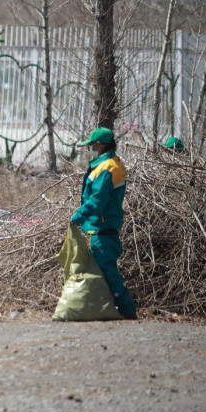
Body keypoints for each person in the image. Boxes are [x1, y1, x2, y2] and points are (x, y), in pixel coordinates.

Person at [71, 127, 137, 320]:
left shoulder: (107, 167)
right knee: (101, 270)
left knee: (105, 270)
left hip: (103, 228)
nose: (89, 148)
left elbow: (98, 199)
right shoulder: (111, 163)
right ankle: (104, 309)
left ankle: (126, 309)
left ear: (98, 145)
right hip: (105, 226)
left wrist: (79, 216)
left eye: (90, 144)